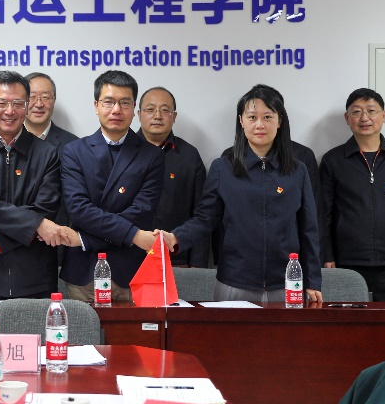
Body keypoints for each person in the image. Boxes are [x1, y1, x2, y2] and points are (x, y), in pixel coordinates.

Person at [161, 84, 322, 303]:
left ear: (279, 121)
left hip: (286, 282)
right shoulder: (222, 168)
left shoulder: (297, 170)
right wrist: (176, 237)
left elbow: (309, 229)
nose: (260, 124)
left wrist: (312, 281)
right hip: (234, 282)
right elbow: (205, 218)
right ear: (241, 121)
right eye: (252, 117)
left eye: (268, 117)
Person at [0, 71, 72, 300]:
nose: (10, 111)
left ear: (26, 106)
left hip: (36, 274)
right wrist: (36, 224)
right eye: (2, 103)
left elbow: (45, 210)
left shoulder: (48, 153)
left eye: (18, 103)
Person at [60, 70, 164, 301]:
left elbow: (142, 212)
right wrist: (133, 234)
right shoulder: (74, 151)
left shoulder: (152, 155)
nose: (116, 110)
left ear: (134, 109)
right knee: (84, 326)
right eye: (108, 102)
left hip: (132, 270)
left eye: (124, 103)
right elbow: (79, 210)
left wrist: (86, 239)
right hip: (83, 271)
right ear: (96, 106)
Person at [319, 88, 385, 302]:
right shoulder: (333, 160)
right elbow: (324, 214)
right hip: (346, 263)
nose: (364, 118)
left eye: (371, 111)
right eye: (357, 112)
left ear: (383, 116)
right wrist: (326, 255)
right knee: (348, 321)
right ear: (347, 118)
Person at [137, 86, 209, 268]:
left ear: (174, 116)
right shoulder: (122, 152)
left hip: (176, 260)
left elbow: (202, 215)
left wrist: (197, 267)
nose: (157, 116)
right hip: (129, 259)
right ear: (139, 114)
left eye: (165, 110)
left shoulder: (189, 156)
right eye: (150, 109)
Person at [24, 72, 78, 152]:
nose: (39, 104)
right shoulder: (8, 140)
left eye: (45, 97)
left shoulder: (73, 145)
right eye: (32, 97)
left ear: (54, 100)